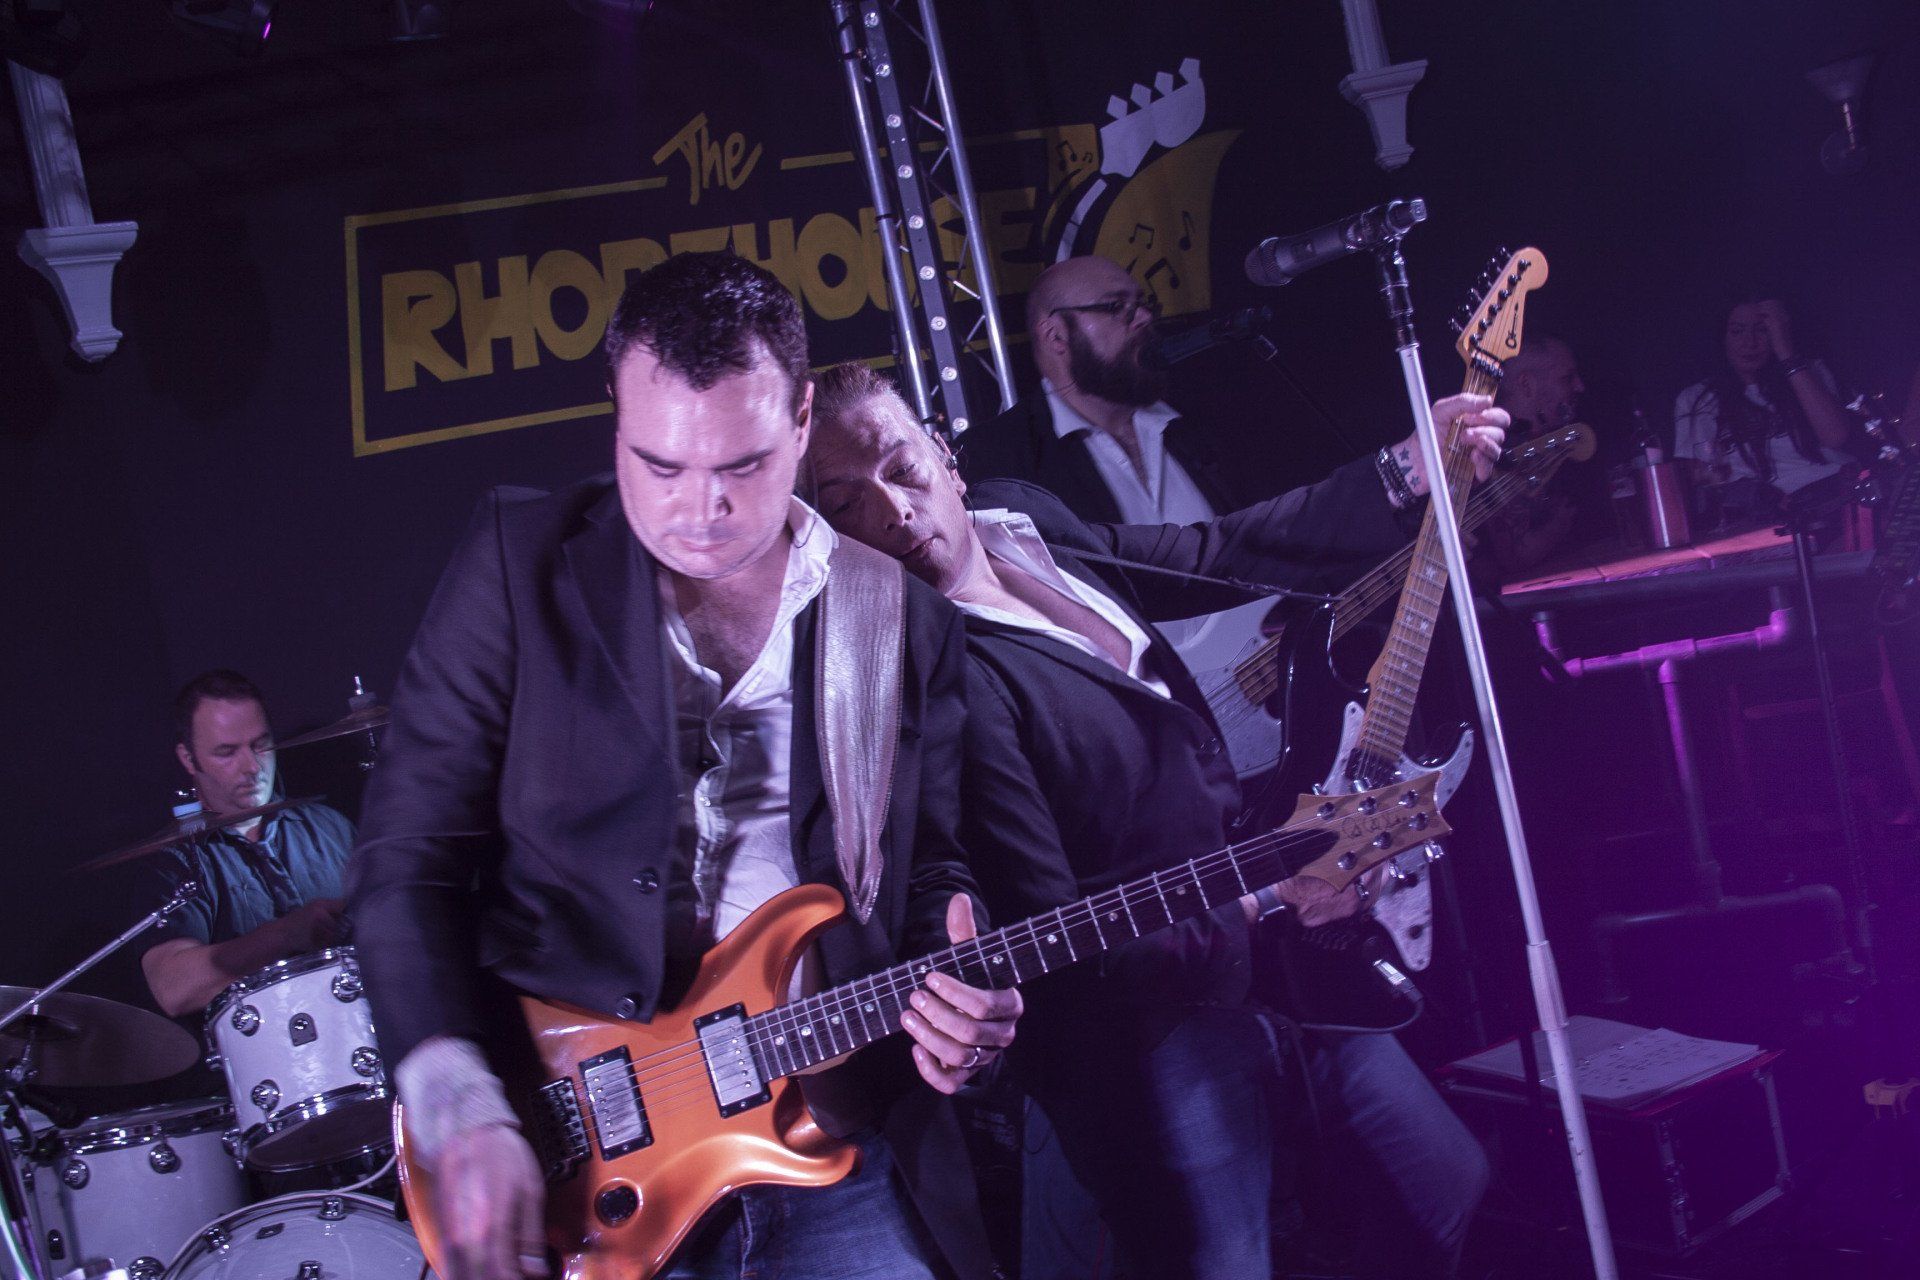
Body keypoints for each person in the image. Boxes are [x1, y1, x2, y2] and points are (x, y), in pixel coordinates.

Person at [345, 252, 1021, 1280]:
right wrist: (457, 1098)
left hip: (822, 1121)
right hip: (569, 1134)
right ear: (616, 417)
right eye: (659, 466)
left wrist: (956, 994)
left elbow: (924, 864)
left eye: (742, 466)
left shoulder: (895, 614)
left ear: (802, 418)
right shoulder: (520, 560)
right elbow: (405, 858)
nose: (699, 509)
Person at [805, 363, 1498, 1279]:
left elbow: (1210, 551)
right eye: (845, 504)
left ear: (945, 456)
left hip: (1278, 963)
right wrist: (1269, 898)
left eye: (902, 468)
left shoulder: (1024, 521)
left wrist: (1405, 471)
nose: (893, 511)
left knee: (1444, 1184)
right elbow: (1060, 950)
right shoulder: (936, 685)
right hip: (1157, 1041)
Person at [142, 669, 355, 1017]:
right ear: (188, 758)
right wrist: (286, 934)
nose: (252, 766)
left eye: (260, 745)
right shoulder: (177, 860)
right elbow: (173, 989)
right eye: (227, 752)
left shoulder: (329, 827)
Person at [1673, 295, 1857, 509]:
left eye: (1761, 330)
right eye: (1737, 331)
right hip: (1766, 511)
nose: (1750, 343)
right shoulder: (1696, 399)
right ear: (1723, 337)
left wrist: (1786, 354)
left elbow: (1836, 437)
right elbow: (1701, 481)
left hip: (1837, 492)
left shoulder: (1809, 371)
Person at [1485, 334, 1592, 573]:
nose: (1579, 386)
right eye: (1567, 378)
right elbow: (1517, 556)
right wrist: (1558, 525)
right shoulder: (1488, 451)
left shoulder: (1557, 439)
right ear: (1526, 385)